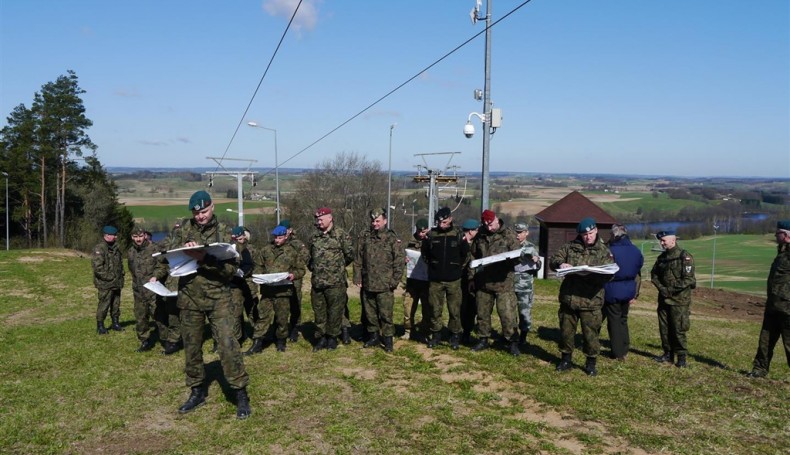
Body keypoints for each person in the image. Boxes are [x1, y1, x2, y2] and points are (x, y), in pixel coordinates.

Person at [166, 190, 251, 419]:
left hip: (218, 298)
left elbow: (232, 269)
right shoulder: (182, 228)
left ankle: (240, 392)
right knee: (192, 348)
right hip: (189, 297)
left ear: (212, 207)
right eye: (196, 213)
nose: (200, 216)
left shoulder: (225, 232)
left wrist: (204, 257)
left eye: (204, 211)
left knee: (227, 344)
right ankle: (196, 391)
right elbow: (169, 255)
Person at [549, 217, 614, 376]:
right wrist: (560, 264)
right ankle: (565, 360)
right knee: (566, 331)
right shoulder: (570, 247)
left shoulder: (604, 251)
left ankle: (591, 363)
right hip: (569, 298)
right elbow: (554, 260)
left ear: (596, 231)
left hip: (590, 300)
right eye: (585, 235)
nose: (588, 237)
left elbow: (610, 273)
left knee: (590, 334)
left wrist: (594, 274)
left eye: (591, 233)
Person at [468, 209, 522, 356]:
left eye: (490, 223)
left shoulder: (509, 235)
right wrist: (471, 278)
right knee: (482, 313)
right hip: (484, 282)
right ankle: (483, 339)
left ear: (496, 219)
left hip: (503, 282)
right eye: (485, 224)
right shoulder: (481, 235)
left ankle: (512, 342)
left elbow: (518, 255)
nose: (489, 227)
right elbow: (473, 257)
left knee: (507, 314)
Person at [354, 208, 405, 352]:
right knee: (370, 314)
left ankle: (388, 340)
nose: (375, 224)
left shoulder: (391, 238)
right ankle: (374, 337)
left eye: (377, 221)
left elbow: (399, 261)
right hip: (368, 283)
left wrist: (394, 281)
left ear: (385, 221)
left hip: (385, 285)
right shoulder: (365, 237)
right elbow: (358, 258)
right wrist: (357, 276)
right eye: (373, 221)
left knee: (386, 314)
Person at [746, 220, 790, 378]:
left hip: (787, 309)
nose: (775, 235)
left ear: (785, 235)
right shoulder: (782, 253)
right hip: (773, 307)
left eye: (778, 233)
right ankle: (759, 369)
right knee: (765, 342)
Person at [252, 225, 306, 353]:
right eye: (275, 237)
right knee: (263, 316)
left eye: (280, 237)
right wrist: (260, 275)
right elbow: (258, 266)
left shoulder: (292, 252)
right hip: (267, 290)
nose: (277, 240)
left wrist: (293, 275)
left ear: (285, 237)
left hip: (283, 291)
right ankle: (257, 342)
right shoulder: (265, 250)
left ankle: (281, 340)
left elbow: (301, 269)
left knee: (282, 318)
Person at [308, 207, 354, 352]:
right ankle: (321, 338)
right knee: (319, 312)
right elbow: (310, 258)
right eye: (317, 219)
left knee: (335, 312)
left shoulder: (341, 235)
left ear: (330, 218)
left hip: (335, 282)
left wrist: (336, 268)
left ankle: (332, 338)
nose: (319, 222)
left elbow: (349, 255)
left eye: (321, 219)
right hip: (318, 282)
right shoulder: (315, 237)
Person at [421, 207, 467, 350]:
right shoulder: (432, 235)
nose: (442, 225)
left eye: (445, 222)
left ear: (451, 219)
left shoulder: (458, 234)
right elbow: (425, 255)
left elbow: (465, 255)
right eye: (440, 222)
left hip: (454, 279)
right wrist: (434, 268)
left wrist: (457, 269)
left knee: (454, 309)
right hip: (435, 279)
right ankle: (436, 334)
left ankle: (454, 335)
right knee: (435, 309)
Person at [650, 230, 696, 368]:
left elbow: (688, 279)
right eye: (661, 241)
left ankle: (681, 357)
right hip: (664, 299)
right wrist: (662, 289)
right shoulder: (662, 258)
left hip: (679, 301)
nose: (661, 243)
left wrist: (670, 290)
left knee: (678, 329)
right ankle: (667, 353)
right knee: (664, 328)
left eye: (664, 240)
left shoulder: (684, 257)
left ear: (673, 240)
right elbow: (654, 275)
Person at [603, 224, 643, 361]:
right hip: (629, 289)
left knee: (613, 320)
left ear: (614, 235)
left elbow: (605, 269)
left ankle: (617, 352)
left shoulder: (610, 251)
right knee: (623, 319)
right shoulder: (636, 251)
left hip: (612, 289)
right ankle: (625, 348)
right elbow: (639, 268)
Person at [128, 224, 160, 352]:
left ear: (145, 236)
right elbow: (131, 268)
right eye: (135, 236)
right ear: (132, 237)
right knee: (140, 317)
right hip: (138, 290)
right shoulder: (131, 251)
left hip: (153, 290)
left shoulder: (154, 248)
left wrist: (156, 276)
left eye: (140, 236)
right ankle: (144, 341)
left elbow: (162, 265)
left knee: (159, 316)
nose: (138, 239)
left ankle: (168, 339)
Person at [280, 219, 310, 342]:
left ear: (290, 230)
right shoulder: (278, 241)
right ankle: (280, 327)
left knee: (295, 302)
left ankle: (294, 328)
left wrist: (295, 266)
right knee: (281, 303)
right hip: (280, 277)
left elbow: (305, 256)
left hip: (294, 277)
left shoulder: (297, 243)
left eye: (286, 230)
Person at [92, 225, 125, 335]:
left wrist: (121, 274)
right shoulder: (100, 248)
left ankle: (115, 323)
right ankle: (100, 325)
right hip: (105, 283)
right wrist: (109, 277)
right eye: (113, 235)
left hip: (117, 282)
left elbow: (119, 263)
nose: (115, 237)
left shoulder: (116, 248)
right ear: (106, 235)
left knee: (116, 304)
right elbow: (98, 267)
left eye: (115, 235)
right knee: (104, 304)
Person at [513, 221, 541, 345]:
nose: (518, 235)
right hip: (510, 285)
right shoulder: (510, 246)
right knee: (509, 312)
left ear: (526, 233)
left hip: (524, 286)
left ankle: (523, 337)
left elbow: (538, 265)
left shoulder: (531, 247)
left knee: (524, 312)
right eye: (516, 232)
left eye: (520, 232)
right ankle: (511, 335)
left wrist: (536, 260)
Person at [402, 218, 430, 341]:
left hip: (426, 281)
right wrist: (404, 259)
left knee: (427, 309)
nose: (421, 234)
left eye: (423, 232)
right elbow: (400, 255)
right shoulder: (409, 242)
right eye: (419, 231)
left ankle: (425, 331)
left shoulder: (431, 241)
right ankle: (408, 330)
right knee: (408, 308)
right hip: (412, 281)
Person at [229, 226, 255, 346]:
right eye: (236, 238)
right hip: (235, 284)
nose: (239, 240)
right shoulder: (230, 249)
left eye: (240, 237)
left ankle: (257, 334)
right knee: (235, 312)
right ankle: (238, 336)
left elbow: (252, 265)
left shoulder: (249, 249)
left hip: (250, 282)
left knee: (252, 309)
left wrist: (243, 272)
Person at [460, 219, 480, 345]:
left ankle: (467, 331)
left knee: (472, 308)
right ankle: (461, 332)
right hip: (462, 280)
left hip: (475, 280)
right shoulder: (460, 243)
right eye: (477, 230)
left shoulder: (478, 243)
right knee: (462, 307)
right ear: (471, 231)